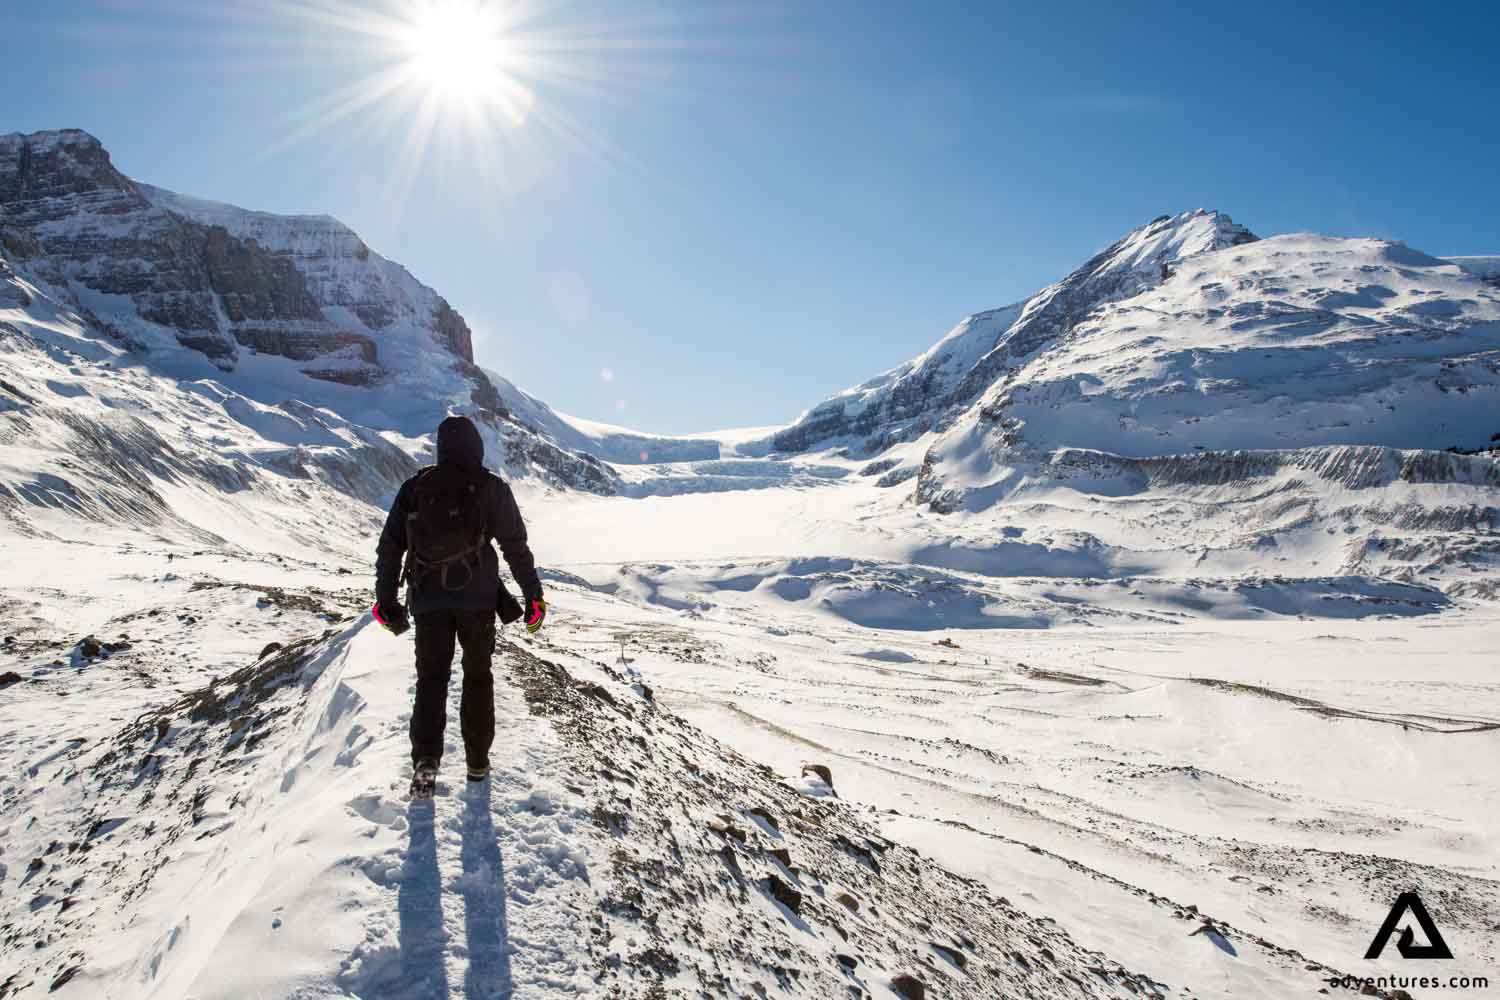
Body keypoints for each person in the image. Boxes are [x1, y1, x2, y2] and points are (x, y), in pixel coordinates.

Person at [373, 415, 546, 793]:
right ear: (476, 446)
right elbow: (515, 546)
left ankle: (425, 763)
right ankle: (477, 763)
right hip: (478, 601)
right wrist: (533, 595)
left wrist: (385, 599)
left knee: (431, 680)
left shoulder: (416, 487)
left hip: (428, 600)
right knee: (478, 676)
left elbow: (391, 546)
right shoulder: (491, 487)